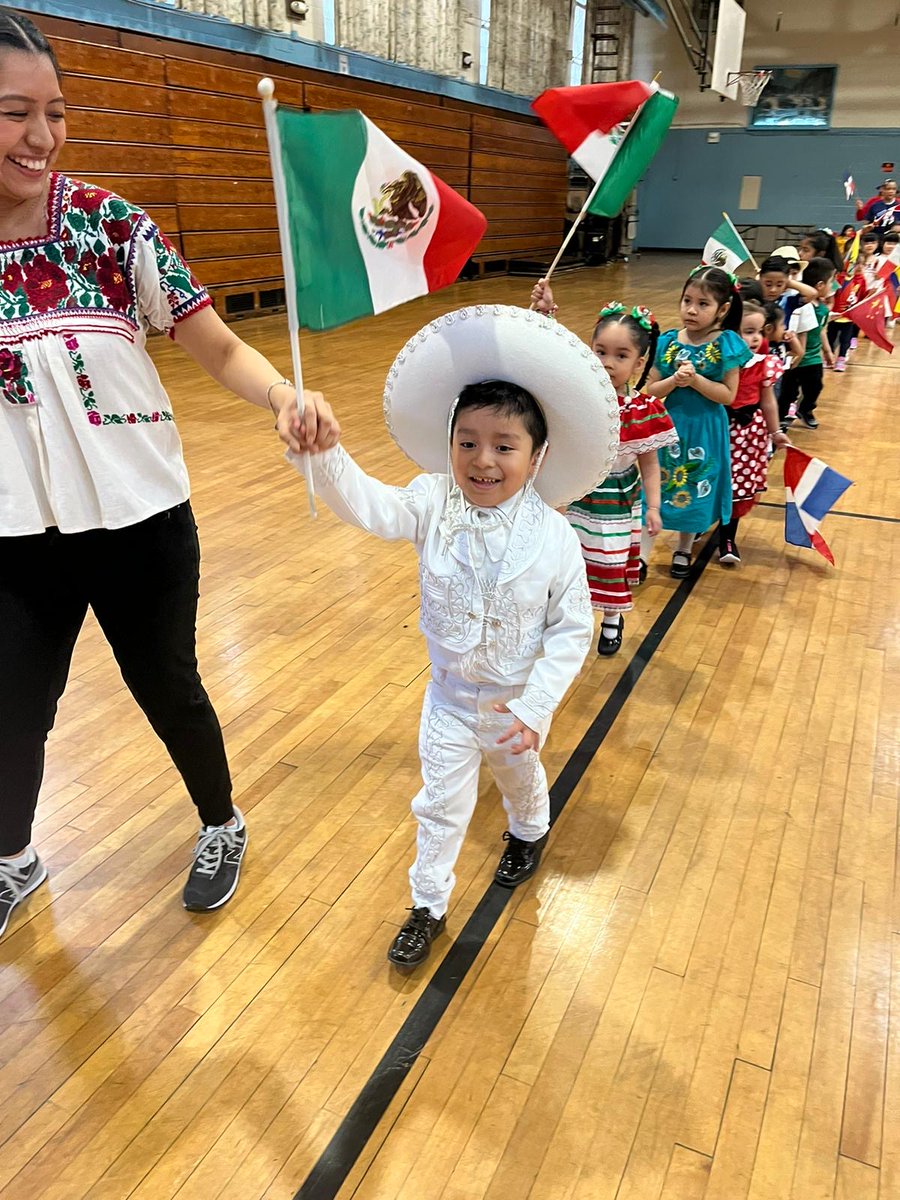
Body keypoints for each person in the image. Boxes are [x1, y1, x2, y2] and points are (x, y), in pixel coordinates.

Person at [0, 9, 338, 938]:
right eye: (13, 112)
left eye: (55, 113)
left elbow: (216, 343)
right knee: (11, 708)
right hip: (15, 536)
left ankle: (220, 821)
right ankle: (14, 859)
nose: (41, 137)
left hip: (138, 520)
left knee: (167, 683)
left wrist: (281, 398)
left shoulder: (109, 226)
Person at [284, 306, 618, 967]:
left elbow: (573, 626)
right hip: (446, 699)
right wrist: (326, 459)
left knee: (519, 776)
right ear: (448, 444)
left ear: (537, 455)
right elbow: (374, 508)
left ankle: (529, 829)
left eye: (504, 445)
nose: (483, 460)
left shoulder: (553, 537)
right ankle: (427, 905)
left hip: (512, 702)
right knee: (439, 802)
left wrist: (536, 704)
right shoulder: (432, 502)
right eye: (467, 442)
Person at [530, 283, 677, 653]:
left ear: (639, 363)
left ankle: (611, 617)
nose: (607, 363)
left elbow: (649, 463)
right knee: (567, 559)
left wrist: (655, 507)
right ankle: (562, 620)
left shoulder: (642, 410)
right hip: (577, 494)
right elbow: (551, 356)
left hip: (615, 504)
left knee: (609, 562)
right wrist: (546, 314)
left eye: (621, 355)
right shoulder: (580, 398)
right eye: (600, 352)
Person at [644, 266, 750, 578]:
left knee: (693, 487)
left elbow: (728, 395)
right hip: (670, 425)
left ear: (723, 309)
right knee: (656, 486)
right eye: (687, 300)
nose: (691, 310)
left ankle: (683, 548)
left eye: (703, 304)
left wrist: (696, 381)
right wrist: (674, 382)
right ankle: (643, 555)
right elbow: (651, 389)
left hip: (705, 429)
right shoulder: (666, 342)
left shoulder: (726, 344)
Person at [719, 300, 790, 565]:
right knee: (711, 479)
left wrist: (775, 432)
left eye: (758, 332)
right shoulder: (718, 362)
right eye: (747, 331)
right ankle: (698, 525)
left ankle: (727, 537)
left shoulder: (764, 364)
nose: (754, 338)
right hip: (718, 429)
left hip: (748, 435)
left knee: (738, 485)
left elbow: (768, 400)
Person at [778, 257, 836, 430]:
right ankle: (781, 416)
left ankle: (805, 409)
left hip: (813, 358)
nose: (832, 287)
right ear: (819, 285)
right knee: (788, 391)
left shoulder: (823, 309)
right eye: (831, 282)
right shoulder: (802, 305)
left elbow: (822, 331)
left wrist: (827, 351)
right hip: (795, 357)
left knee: (815, 386)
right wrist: (797, 353)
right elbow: (798, 332)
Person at [827, 230, 878, 369]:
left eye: (858, 265)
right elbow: (831, 293)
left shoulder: (861, 280)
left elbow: (862, 297)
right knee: (831, 337)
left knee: (845, 340)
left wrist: (871, 294)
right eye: (853, 264)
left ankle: (841, 359)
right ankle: (829, 356)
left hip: (849, 317)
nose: (856, 267)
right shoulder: (839, 278)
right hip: (835, 315)